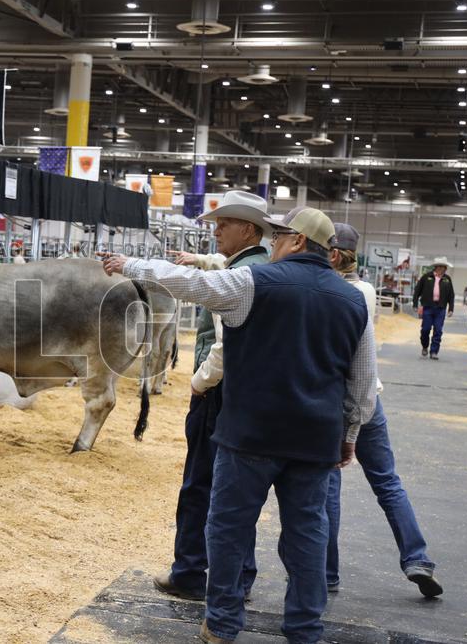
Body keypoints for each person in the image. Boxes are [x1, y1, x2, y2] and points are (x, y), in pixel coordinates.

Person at [100, 207, 377, 644]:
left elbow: (190, 284)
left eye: (280, 235)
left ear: (299, 242)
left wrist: (131, 265)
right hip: (314, 437)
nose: (272, 243)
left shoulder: (255, 283)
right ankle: (304, 628)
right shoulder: (354, 299)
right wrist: (350, 435)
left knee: (229, 529)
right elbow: (362, 382)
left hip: (250, 433)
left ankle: (223, 624)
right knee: (306, 534)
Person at [151, 190, 271, 602]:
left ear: (249, 229)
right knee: (239, 489)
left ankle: (188, 571)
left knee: (200, 483)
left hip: (217, 394)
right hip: (249, 396)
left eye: (224, 224)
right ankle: (240, 577)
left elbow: (223, 342)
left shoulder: (235, 278)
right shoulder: (261, 267)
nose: (216, 230)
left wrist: (200, 381)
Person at [326, 224, 442, 599]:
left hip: (336, 400)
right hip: (371, 397)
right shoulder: (367, 290)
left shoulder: (333, 292)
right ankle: (417, 558)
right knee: (388, 482)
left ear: (330, 254)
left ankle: (327, 574)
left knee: (329, 486)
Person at [412, 257, 455, 360]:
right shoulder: (426, 277)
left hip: (440, 308)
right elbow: (417, 291)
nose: (441, 268)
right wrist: (415, 304)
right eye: (439, 266)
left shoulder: (447, 279)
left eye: (443, 267)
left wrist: (451, 309)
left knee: (438, 330)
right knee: (425, 329)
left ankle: (434, 351)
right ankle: (425, 346)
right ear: (435, 267)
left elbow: (451, 295)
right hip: (428, 307)